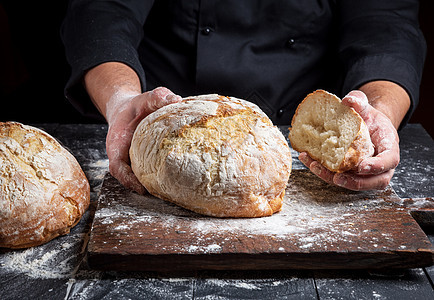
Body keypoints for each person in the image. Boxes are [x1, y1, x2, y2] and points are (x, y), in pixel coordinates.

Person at [61, 0, 426, 194]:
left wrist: (377, 112)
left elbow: (386, 24)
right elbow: (102, 10)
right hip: (165, 114)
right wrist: (121, 99)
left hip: (295, 127)